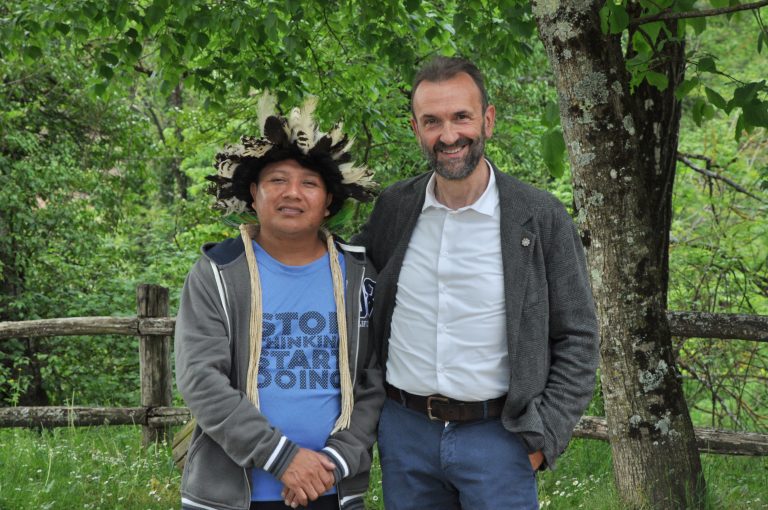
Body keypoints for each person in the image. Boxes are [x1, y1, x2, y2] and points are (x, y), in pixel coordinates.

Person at [353, 56, 600, 509]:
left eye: (461, 117)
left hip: (500, 439)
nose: (448, 136)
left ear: (487, 120)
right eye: (432, 121)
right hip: (405, 435)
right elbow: (344, 285)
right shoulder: (393, 209)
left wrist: (543, 437)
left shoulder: (538, 216)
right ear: (415, 129)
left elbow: (578, 337)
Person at [175, 94, 383, 510]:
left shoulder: (359, 275)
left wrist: (333, 461)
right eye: (277, 181)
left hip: (332, 487)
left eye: (309, 183)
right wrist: (282, 458)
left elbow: (373, 381)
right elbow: (201, 379)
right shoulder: (217, 273)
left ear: (328, 203)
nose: (293, 193)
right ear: (253, 194)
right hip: (233, 495)